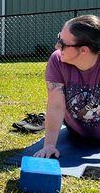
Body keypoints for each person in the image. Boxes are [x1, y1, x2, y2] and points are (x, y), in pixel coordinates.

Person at [34, 14, 100, 158]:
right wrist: (49, 145)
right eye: (59, 38)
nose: (57, 46)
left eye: (63, 43)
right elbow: (56, 105)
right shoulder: (57, 60)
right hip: (76, 135)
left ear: (83, 50)